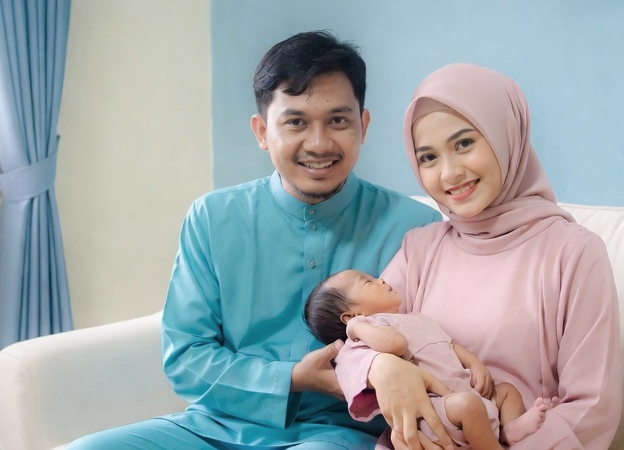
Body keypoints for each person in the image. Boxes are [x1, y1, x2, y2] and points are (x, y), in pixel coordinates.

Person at [67, 30, 444, 450]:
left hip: (342, 433)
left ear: (364, 126)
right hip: (215, 427)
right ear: (262, 131)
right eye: (295, 122)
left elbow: (440, 346)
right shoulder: (212, 218)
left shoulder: (417, 227)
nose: (319, 143)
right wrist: (292, 378)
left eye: (338, 120)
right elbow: (186, 358)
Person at [341, 63, 622, 450]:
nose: (449, 174)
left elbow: (590, 410)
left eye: (464, 144)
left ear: (506, 136)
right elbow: (352, 344)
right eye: (428, 158)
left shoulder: (574, 253)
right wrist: (380, 366)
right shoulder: (420, 248)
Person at [304, 269, 552, 449]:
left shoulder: (417, 318)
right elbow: (395, 345)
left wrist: (474, 363)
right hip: (437, 410)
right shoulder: (365, 336)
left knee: (507, 391)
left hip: (468, 394)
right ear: (350, 316)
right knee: (468, 406)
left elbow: (450, 344)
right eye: (368, 282)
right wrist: (358, 327)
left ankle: (508, 430)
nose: (381, 279)